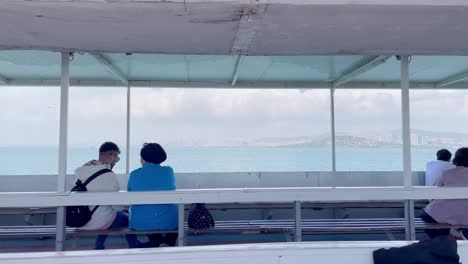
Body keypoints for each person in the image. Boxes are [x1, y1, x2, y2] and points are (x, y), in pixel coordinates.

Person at [74, 141, 138, 249]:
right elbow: (117, 207)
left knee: (107, 214)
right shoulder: (109, 175)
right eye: (117, 158)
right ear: (112, 155)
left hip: (80, 220)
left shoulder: (81, 172)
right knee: (127, 219)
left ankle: (99, 246)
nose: (116, 162)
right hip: (98, 222)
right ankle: (134, 248)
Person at [128, 143, 178, 247]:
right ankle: (166, 243)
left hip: (140, 223)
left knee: (146, 213)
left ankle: (156, 242)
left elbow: (130, 193)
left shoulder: (134, 174)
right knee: (173, 214)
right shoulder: (168, 171)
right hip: (168, 222)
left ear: (143, 158)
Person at [420, 147, 468, 239]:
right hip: (465, 217)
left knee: (425, 216)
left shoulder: (447, 173)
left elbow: (435, 193)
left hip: (443, 214)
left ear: (456, 159)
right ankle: (461, 233)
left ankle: (445, 236)